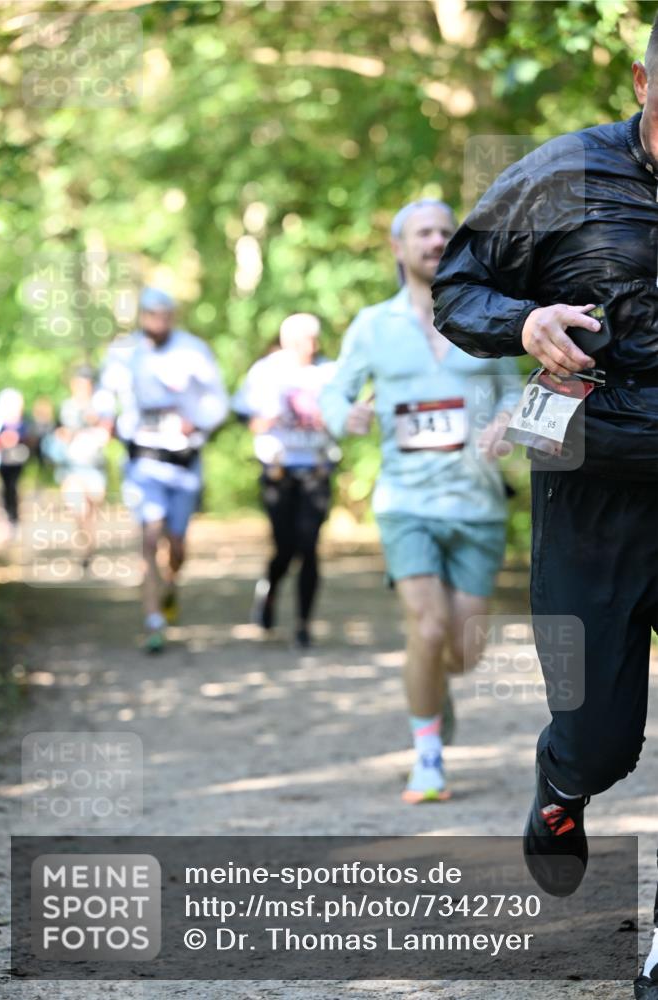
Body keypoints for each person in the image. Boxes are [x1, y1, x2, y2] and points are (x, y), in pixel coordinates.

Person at [432, 20, 658, 998]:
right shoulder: (563, 175)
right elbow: (457, 288)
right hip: (593, 494)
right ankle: (562, 785)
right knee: (601, 733)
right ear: (645, 83)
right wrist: (520, 319)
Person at [320, 199, 522, 803]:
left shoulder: (486, 317)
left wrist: (505, 425)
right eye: (423, 232)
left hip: (478, 505)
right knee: (426, 626)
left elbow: (515, 394)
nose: (435, 240)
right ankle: (428, 759)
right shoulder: (373, 326)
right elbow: (334, 391)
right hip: (406, 502)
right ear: (398, 247)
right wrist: (344, 415)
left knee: (461, 651)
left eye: (444, 231)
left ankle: (435, 683)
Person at [99, 287, 229, 652]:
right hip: (143, 460)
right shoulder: (124, 352)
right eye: (152, 314)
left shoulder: (193, 350)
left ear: (173, 316)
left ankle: (171, 582)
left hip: (184, 461)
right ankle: (153, 620)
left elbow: (218, 399)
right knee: (148, 536)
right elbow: (105, 395)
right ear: (142, 317)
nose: (159, 321)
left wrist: (198, 422)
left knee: (176, 543)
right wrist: (104, 418)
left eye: (165, 314)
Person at [234, 313, 339, 649]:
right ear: (287, 341)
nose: (311, 345)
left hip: (316, 469)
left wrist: (334, 419)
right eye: (304, 339)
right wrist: (261, 422)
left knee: (309, 545)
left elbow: (346, 415)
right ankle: (270, 587)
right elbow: (242, 413)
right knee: (285, 547)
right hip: (278, 471)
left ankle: (303, 624)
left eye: (314, 338)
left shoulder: (330, 372)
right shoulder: (266, 371)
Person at [43, 366, 110, 569]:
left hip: (95, 468)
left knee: (91, 511)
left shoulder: (101, 407)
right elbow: (54, 433)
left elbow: (107, 434)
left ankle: (88, 546)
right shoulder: (65, 408)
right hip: (71, 467)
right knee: (77, 508)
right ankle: (84, 547)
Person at [0, 388, 32, 537]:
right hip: (0, 460)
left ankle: (11, 519)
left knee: (11, 488)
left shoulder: (22, 422)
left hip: (14, 460)